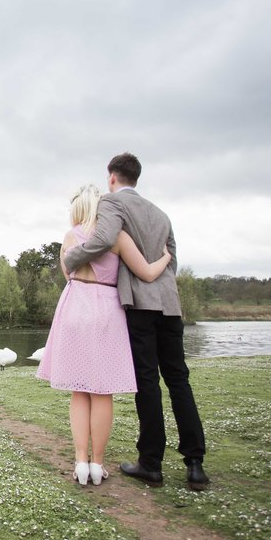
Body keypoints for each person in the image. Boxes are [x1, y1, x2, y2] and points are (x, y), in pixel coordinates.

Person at [63, 153, 209, 490]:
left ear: (111, 177)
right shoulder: (162, 214)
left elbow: (101, 241)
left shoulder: (111, 205)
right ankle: (195, 462)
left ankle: (151, 463)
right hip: (170, 304)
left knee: (147, 382)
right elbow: (171, 258)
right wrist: (165, 265)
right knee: (178, 380)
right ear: (137, 177)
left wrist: (72, 258)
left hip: (140, 305)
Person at [37, 183, 172, 486]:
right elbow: (147, 273)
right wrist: (166, 256)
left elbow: (67, 275)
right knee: (101, 392)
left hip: (73, 309)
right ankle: (97, 464)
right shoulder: (117, 238)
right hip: (106, 312)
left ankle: (80, 462)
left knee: (78, 389)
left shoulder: (70, 237)